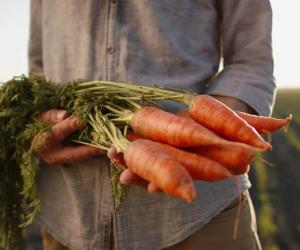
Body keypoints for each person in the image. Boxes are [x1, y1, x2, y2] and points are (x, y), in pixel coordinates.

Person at [29, 0, 275, 249]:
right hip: (69, 210)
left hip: (200, 214)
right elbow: (38, 71)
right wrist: (40, 128)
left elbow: (251, 59)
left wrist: (209, 131)